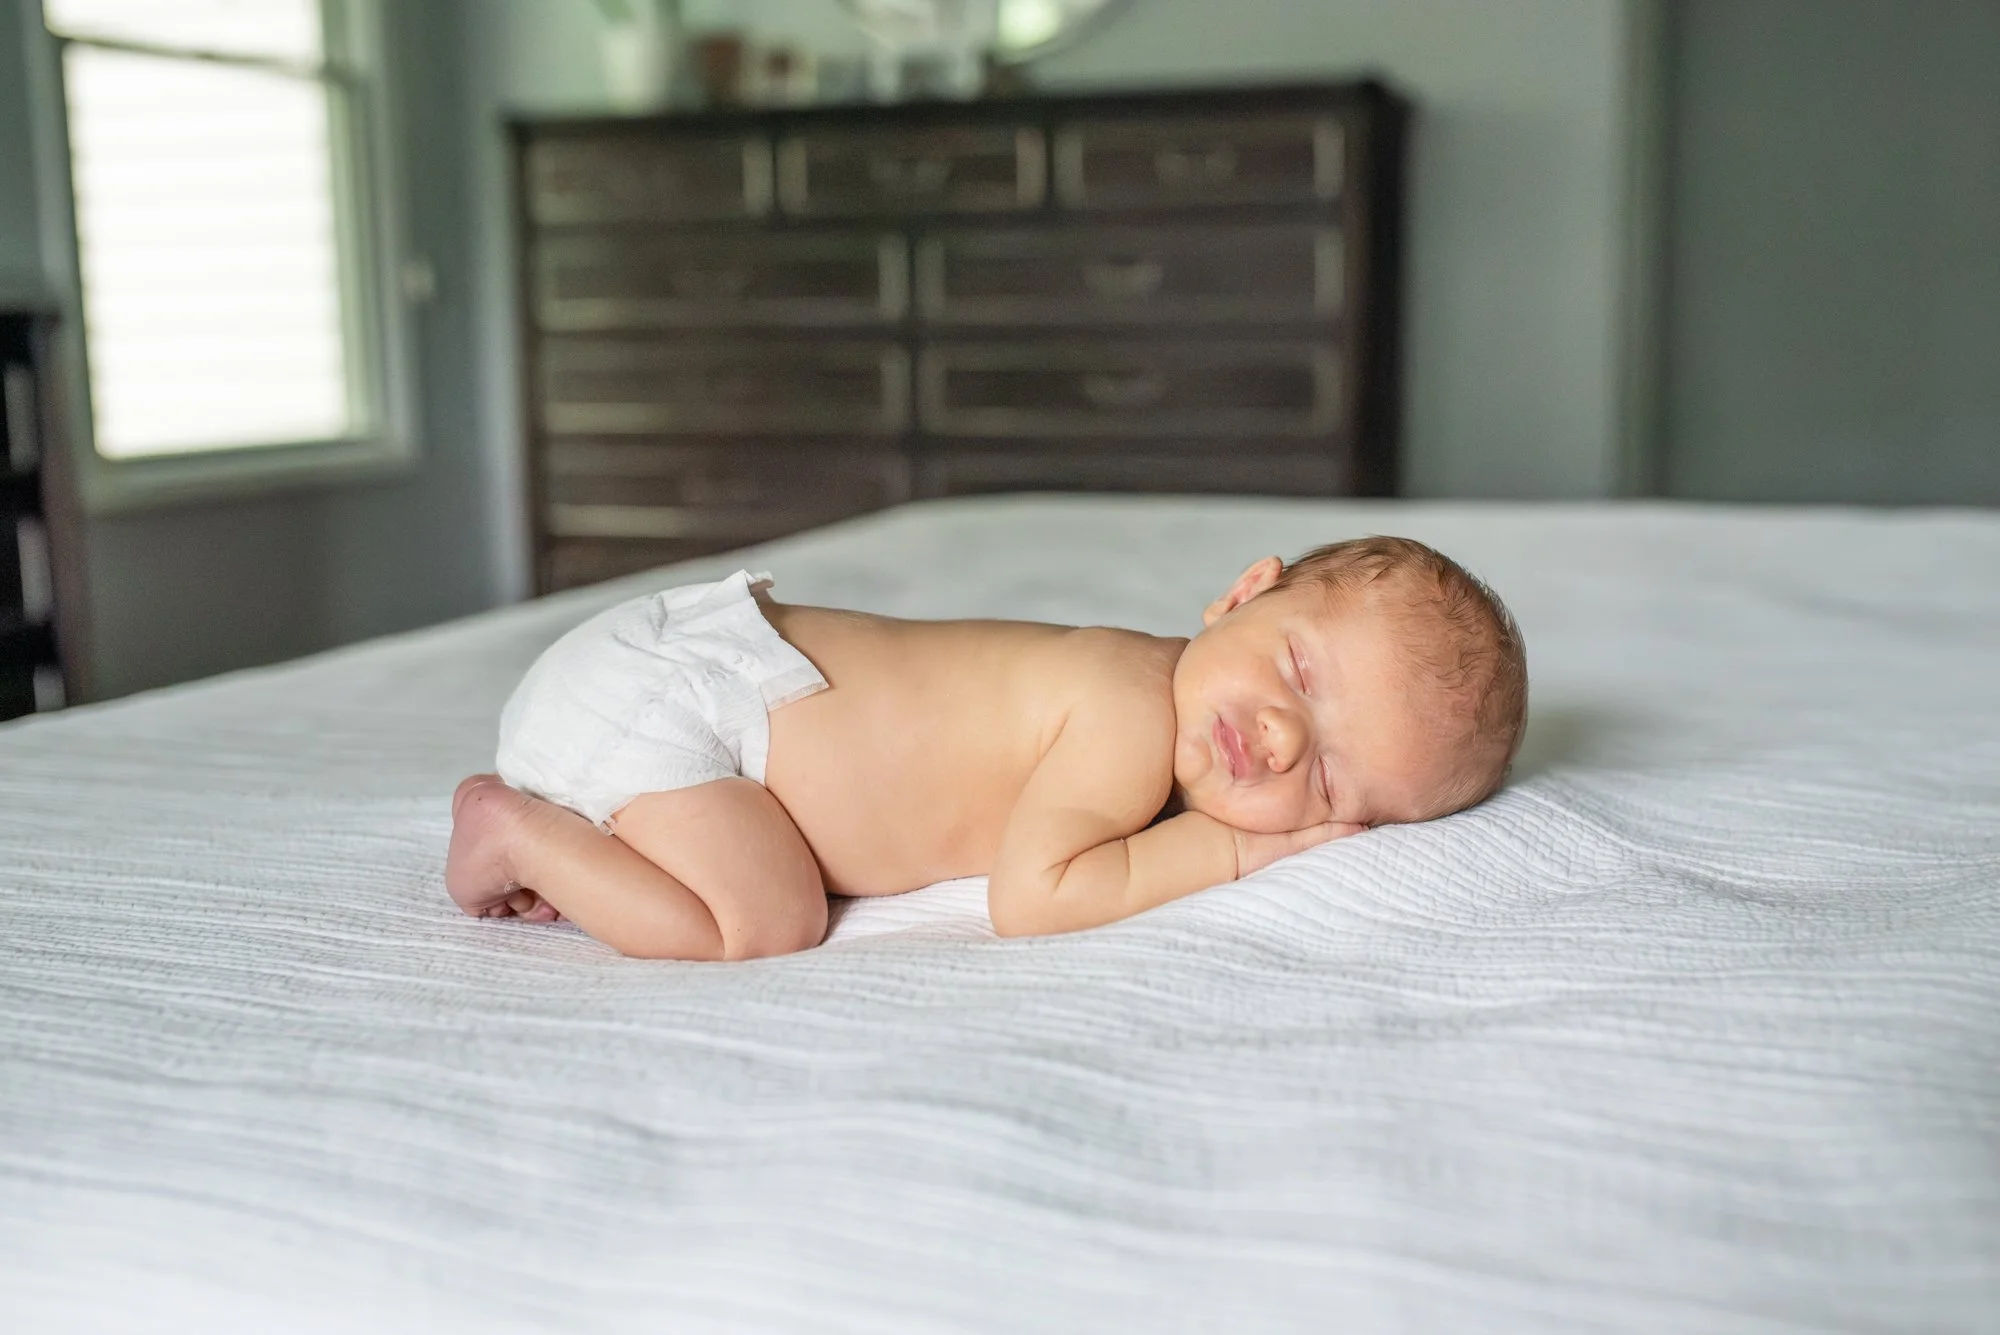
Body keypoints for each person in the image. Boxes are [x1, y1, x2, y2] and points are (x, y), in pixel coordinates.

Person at [445, 536, 1527, 959]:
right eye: (1297, 675)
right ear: (1239, 594)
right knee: (761, 923)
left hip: (681, 694)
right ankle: (520, 831)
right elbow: (1036, 894)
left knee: (744, 878)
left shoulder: (1147, 687)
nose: (1285, 741)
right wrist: (1241, 853)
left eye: (1333, 780)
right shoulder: (1127, 710)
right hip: (685, 705)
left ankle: (593, 838)